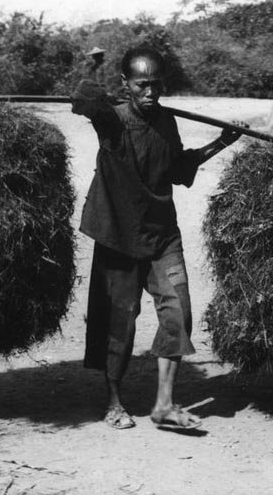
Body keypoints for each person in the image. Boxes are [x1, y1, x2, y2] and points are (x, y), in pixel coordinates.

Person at [71, 45, 243, 431]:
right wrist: (95, 69)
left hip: (162, 234)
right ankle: (114, 402)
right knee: (120, 321)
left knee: (177, 312)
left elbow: (180, 168)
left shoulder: (166, 122)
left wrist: (221, 142)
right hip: (118, 234)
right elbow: (81, 96)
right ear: (125, 84)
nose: (151, 93)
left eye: (156, 85)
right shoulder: (111, 120)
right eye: (142, 85)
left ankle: (164, 404)